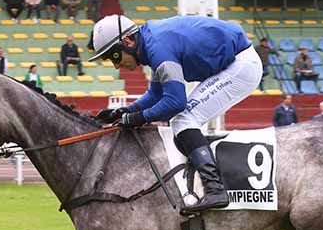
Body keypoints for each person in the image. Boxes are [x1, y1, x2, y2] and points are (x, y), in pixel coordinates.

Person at [90, 14, 262, 212]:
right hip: (234, 61)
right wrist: (124, 111)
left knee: (183, 119)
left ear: (128, 41)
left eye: (115, 56)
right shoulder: (151, 43)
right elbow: (155, 94)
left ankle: (215, 189)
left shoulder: (158, 50)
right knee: (182, 124)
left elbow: (175, 102)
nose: (116, 64)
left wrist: (137, 118)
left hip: (241, 66)